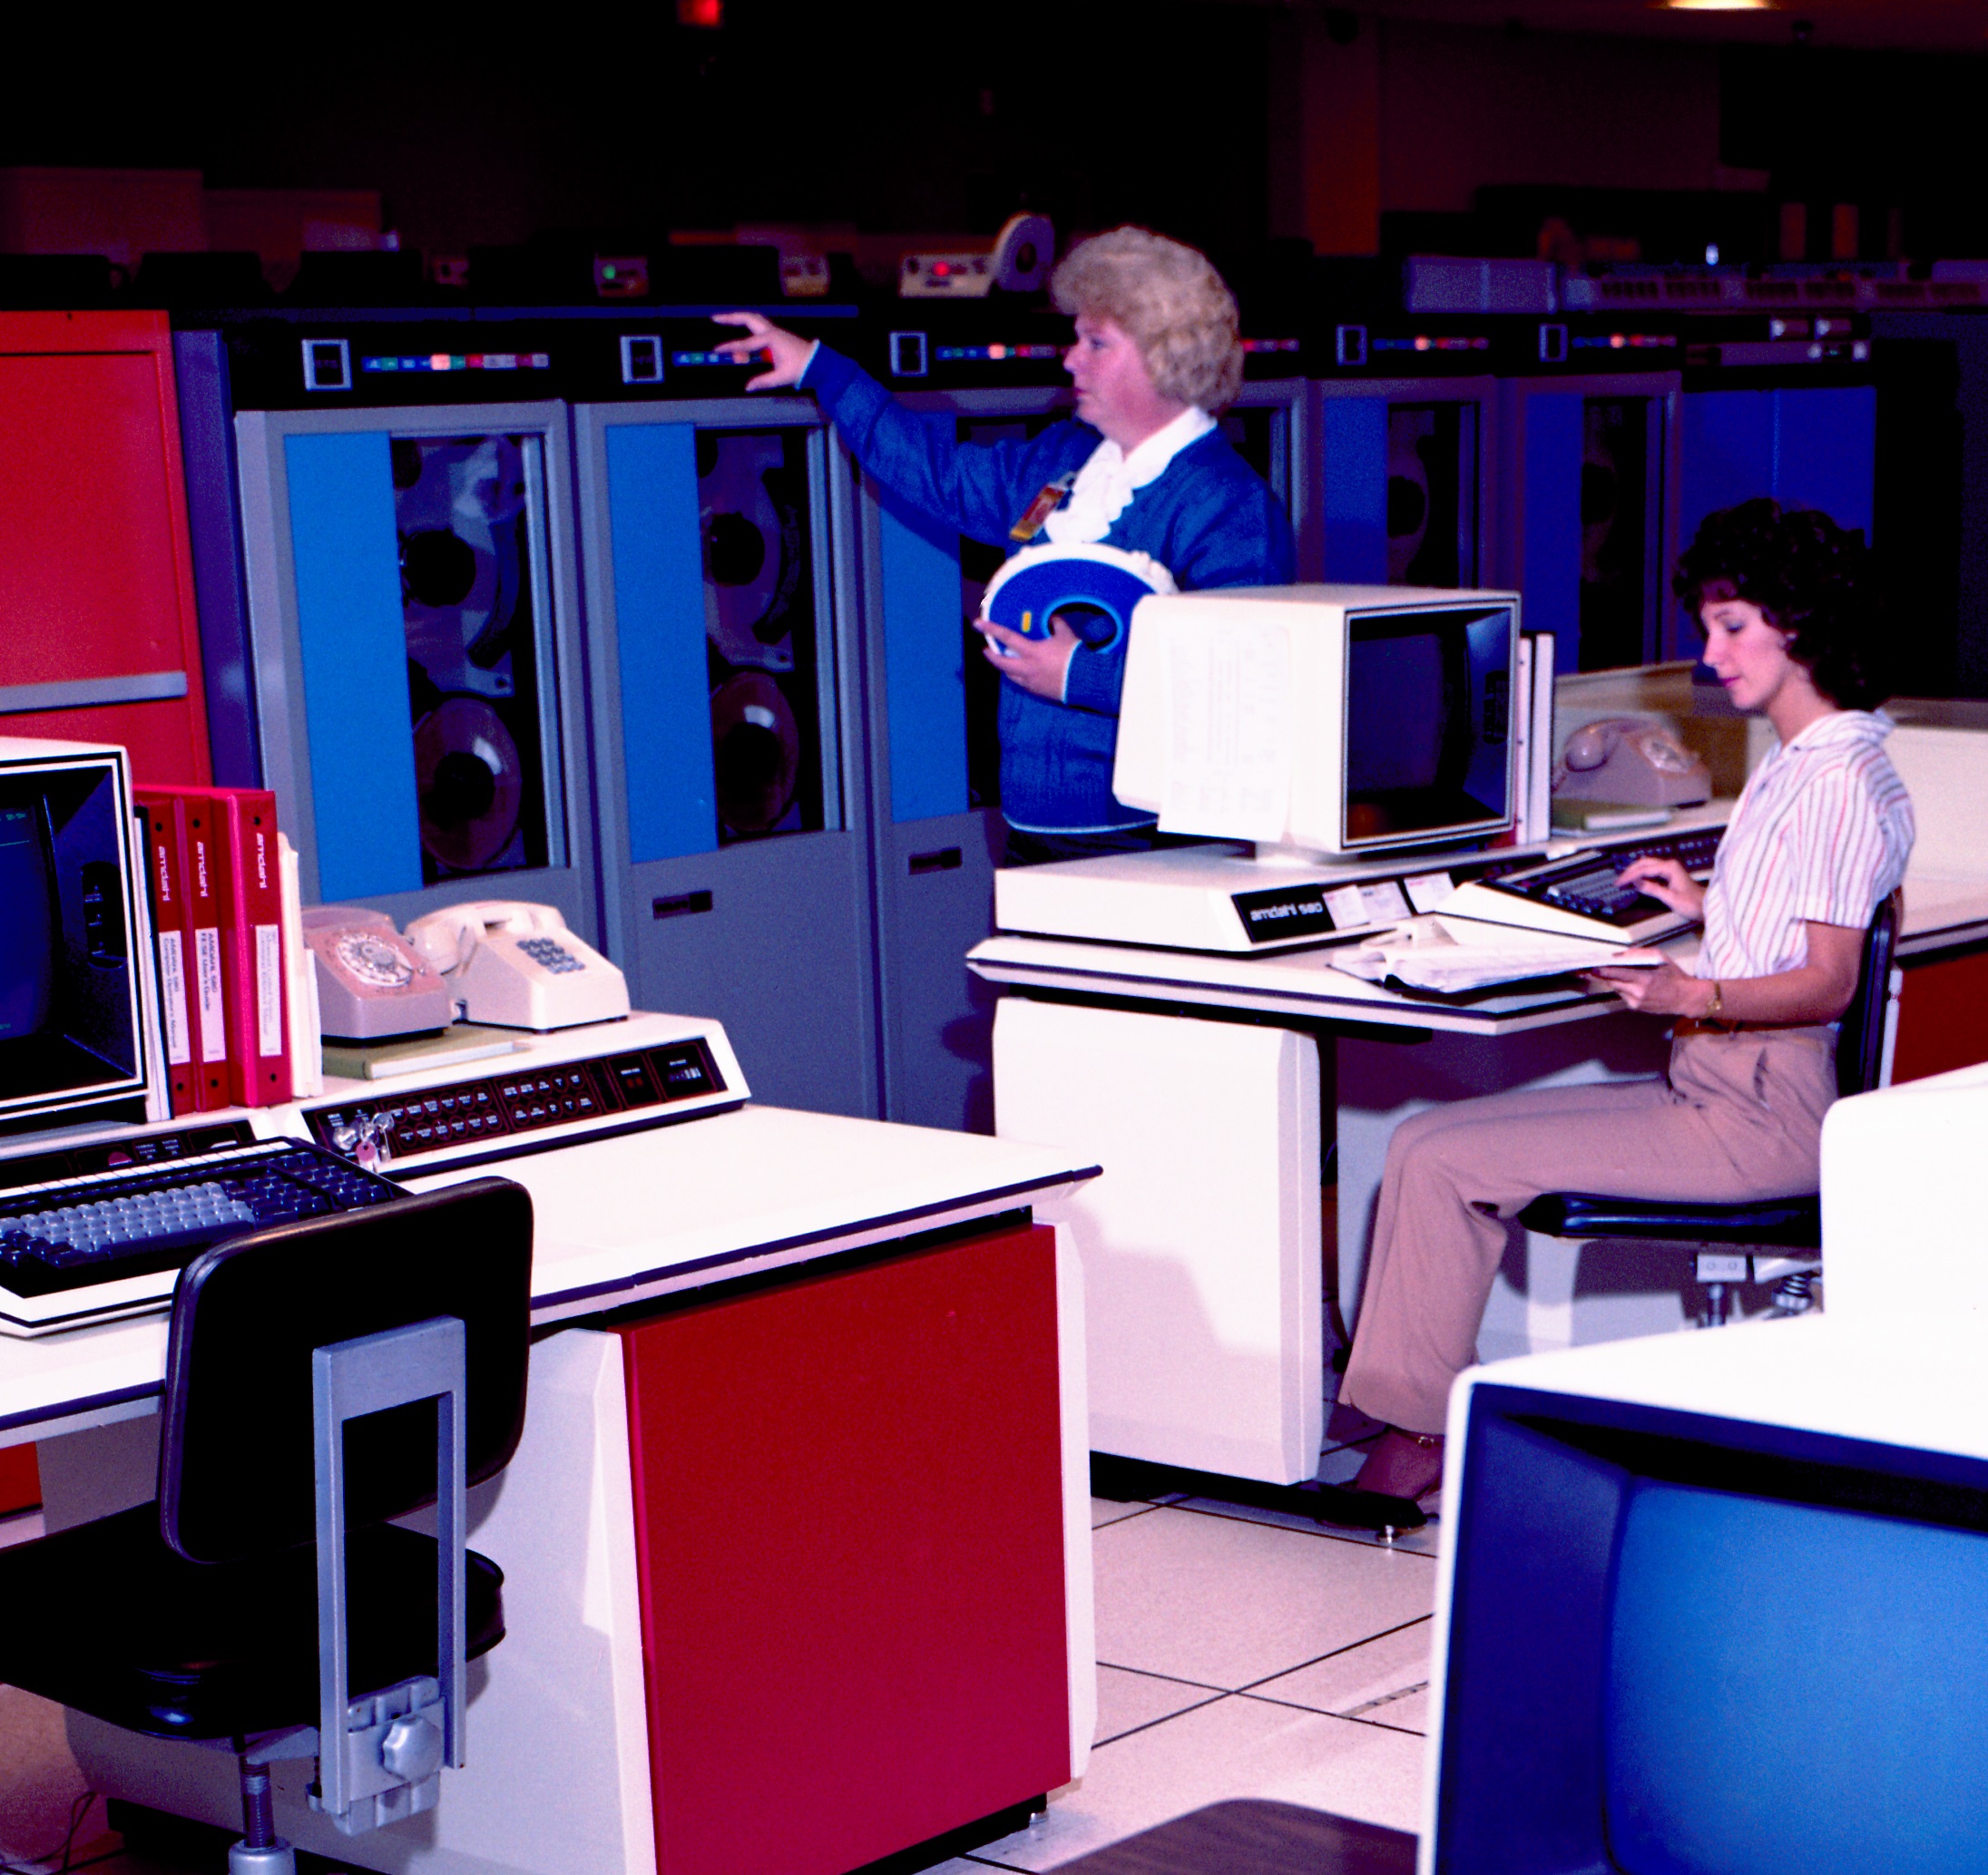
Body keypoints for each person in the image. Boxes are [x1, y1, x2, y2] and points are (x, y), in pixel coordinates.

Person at [1330, 498, 1912, 1509]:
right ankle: (1406, 1414)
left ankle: (1416, 1436)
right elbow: (1796, 916)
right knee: (1426, 1142)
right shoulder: (1816, 760)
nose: (1712, 652)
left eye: (1733, 627)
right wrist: (1703, 904)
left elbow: (1829, 980)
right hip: (1726, 1088)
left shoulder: (1833, 782)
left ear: (1802, 626)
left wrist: (1690, 987)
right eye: (1709, 628)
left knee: (1439, 1158)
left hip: (1758, 1110)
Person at [715, 230, 1288, 849]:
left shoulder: (1225, 504)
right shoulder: (1065, 459)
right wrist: (819, 367)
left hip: (1156, 847)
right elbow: (938, 474)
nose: (1071, 360)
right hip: (1031, 837)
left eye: (1096, 343)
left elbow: (1244, 689)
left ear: (1165, 357)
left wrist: (1079, 677)